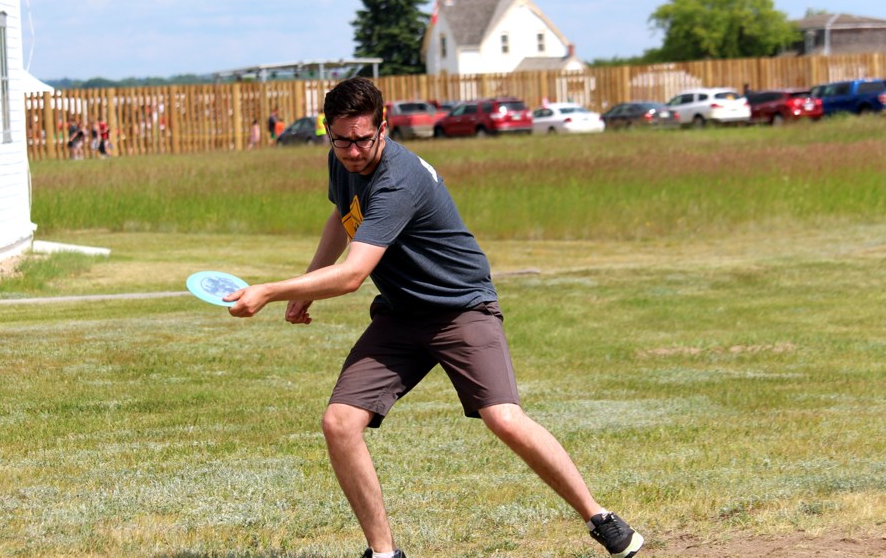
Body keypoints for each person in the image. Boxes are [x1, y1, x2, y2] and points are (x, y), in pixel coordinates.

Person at [225, 77, 644, 558]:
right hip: (401, 314)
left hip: (461, 307)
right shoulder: (341, 159)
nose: (353, 150)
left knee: (504, 418)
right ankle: (384, 553)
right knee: (339, 422)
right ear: (329, 131)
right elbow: (343, 214)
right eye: (341, 139)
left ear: (384, 126)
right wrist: (308, 282)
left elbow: (354, 275)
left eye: (363, 138)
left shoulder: (399, 179)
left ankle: (601, 517)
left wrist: (271, 292)